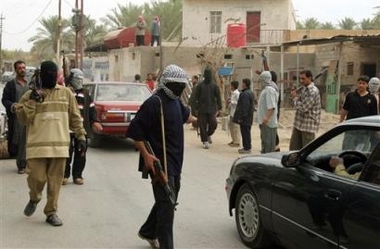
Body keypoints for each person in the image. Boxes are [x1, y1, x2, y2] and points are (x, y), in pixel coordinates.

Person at [126, 64, 196, 249]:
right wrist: (147, 157)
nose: (180, 88)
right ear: (166, 83)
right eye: (177, 85)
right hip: (159, 164)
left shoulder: (176, 101)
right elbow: (135, 131)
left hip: (175, 162)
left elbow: (186, 116)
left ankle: (148, 231)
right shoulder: (154, 102)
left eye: (182, 85)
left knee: (167, 202)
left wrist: (202, 122)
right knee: (167, 209)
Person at [15, 61, 87, 226]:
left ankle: (51, 212)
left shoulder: (66, 93)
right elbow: (23, 119)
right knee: (36, 178)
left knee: (55, 183)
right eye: (48, 73)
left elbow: (75, 117)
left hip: (60, 147)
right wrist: (32, 102)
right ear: (41, 74)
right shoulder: (30, 94)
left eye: (54, 73)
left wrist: (81, 136)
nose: (51, 76)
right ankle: (34, 198)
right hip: (37, 147)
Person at [63, 68, 103, 185]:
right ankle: (65, 175)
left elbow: (91, 109)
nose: (79, 81)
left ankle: (78, 175)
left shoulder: (85, 93)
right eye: (77, 79)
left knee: (81, 152)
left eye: (81, 79)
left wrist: (95, 121)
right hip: (67, 129)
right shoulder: (65, 92)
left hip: (82, 129)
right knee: (67, 153)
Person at [1, 60, 29, 174]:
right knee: (21, 139)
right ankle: (22, 164)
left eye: (23, 67)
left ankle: (28, 162)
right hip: (17, 118)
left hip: (30, 116)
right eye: (20, 68)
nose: (22, 70)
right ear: (16, 70)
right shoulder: (11, 85)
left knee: (29, 140)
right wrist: (13, 105)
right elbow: (5, 100)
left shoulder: (30, 84)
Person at [339, 75, 377, 150]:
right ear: (357, 84)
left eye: (363, 83)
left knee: (361, 152)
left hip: (364, 131)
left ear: (367, 85)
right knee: (347, 150)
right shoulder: (350, 96)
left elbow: (373, 115)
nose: (361, 85)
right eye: (359, 83)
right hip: (350, 129)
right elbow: (344, 110)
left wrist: (375, 131)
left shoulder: (372, 98)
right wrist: (341, 122)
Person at [289, 70, 321, 150]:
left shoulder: (313, 91)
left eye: (303, 79)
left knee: (306, 152)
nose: (301, 81)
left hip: (308, 126)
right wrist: (295, 96)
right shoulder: (304, 89)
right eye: (300, 79)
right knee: (294, 150)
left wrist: (295, 98)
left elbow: (304, 107)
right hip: (299, 124)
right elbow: (299, 102)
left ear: (309, 78)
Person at [193, 67, 222, 149]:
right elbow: (196, 98)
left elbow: (218, 97)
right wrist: (195, 108)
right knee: (202, 125)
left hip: (212, 109)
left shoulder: (215, 86)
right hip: (202, 109)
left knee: (214, 123)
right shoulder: (200, 86)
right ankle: (205, 141)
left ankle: (208, 134)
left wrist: (220, 107)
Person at [257, 71, 279, 153]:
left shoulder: (270, 90)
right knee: (265, 144)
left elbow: (271, 107)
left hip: (268, 123)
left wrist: (266, 118)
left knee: (268, 145)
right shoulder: (265, 89)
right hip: (264, 122)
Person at [233, 78, 255, 154]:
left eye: (242, 83)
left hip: (245, 118)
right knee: (246, 132)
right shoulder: (250, 92)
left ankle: (247, 148)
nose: (241, 84)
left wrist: (241, 117)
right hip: (248, 117)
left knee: (245, 133)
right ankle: (246, 147)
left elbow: (245, 107)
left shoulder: (245, 94)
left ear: (245, 84)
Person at [270, 70, 282, 151]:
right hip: (275, 114)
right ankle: (275, 146)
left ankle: (276, 147)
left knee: (273, 131)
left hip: (272, 114)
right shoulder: (275, 88)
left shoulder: (273, 89)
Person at [227, 80, 241, 147]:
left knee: (235, 127)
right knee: (231, 127)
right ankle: (233, 139)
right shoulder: (233, 93)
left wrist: (231, 101)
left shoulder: (237, 93)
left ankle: (237, 141)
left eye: (231, 85)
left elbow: (238, 102)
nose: (230, 87)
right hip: (232, 112)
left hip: (235, 112)